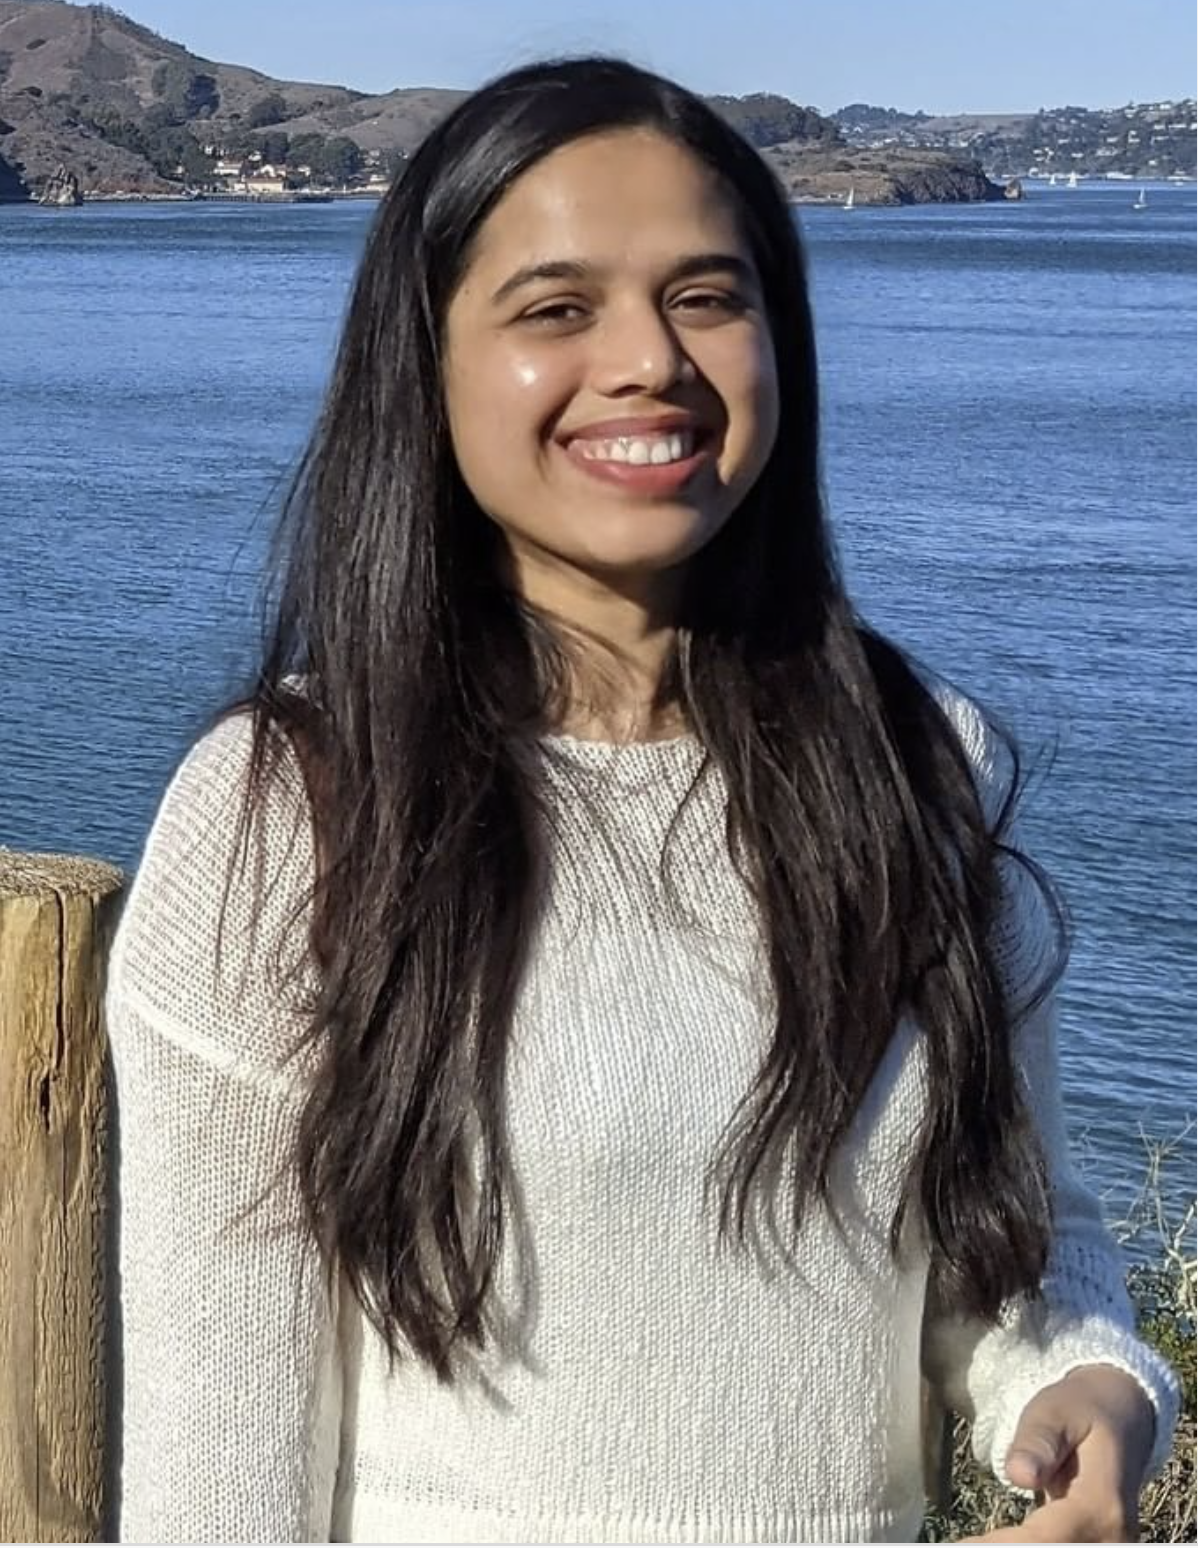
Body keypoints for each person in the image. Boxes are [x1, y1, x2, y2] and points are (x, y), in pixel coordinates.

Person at [106, 56, 1178, 1545]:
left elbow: (1014, 1243)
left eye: (706, 297)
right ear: (428, 365)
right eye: (556, 308)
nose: (648, 362)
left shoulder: (920, 763)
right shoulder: (287, 813)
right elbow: (216, 1463)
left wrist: (1079, 1390)